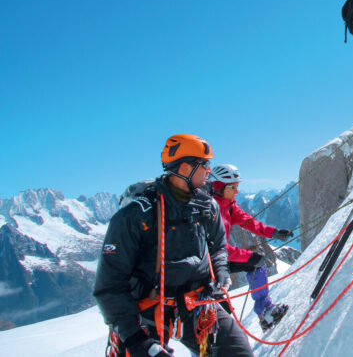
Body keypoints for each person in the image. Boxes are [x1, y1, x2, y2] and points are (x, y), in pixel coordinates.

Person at [94, 134, 253, 357]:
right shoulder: (136, 215)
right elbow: (109, 285)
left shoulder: (207, 205)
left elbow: (217, 247)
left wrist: (221, 271)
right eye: (204, 164)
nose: (209, 170)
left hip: (198, 302)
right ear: (186, 168)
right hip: (149, 309)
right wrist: (135, 339)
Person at [209, 164, 294, 332]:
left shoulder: (228, 205)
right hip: (206, 266)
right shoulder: (210, 209)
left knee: (257, 264)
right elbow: (216, 248)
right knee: (217, 315)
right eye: (233, 187)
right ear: (219, 187)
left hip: (218, 259)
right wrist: (247, 256)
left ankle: (265, 311)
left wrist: (274, 232)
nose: (237, 191)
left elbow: (249, 222)